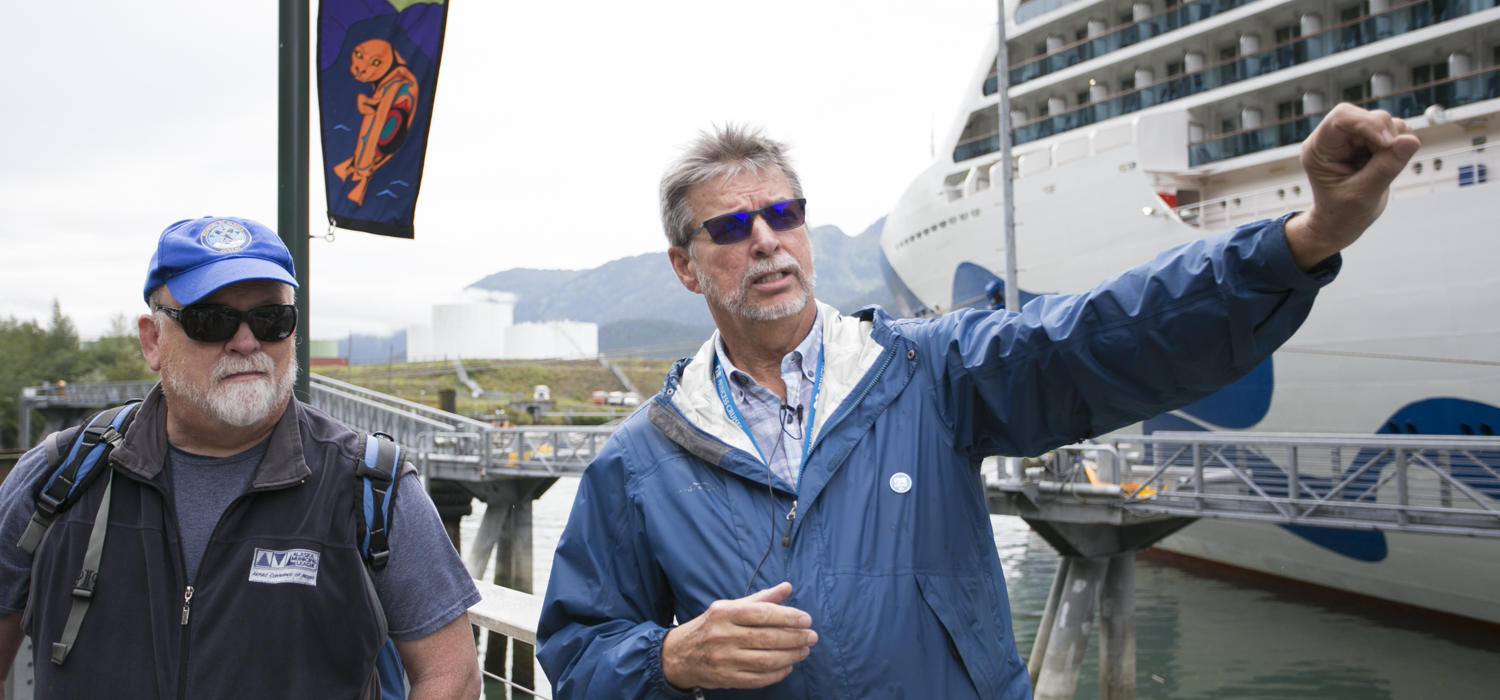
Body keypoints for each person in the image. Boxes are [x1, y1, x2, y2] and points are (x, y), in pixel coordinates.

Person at [535, 102, 1419, 699]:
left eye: (784, 214)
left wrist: (1301, 241)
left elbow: (1106, 334)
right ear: (686, 267)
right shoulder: (638, 462)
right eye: (729, 228)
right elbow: (574, 651)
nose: (766, 242)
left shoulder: (929, 371)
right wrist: (669, 656)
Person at [0, 216, 482, 699]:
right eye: (212, 321)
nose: (247, 342)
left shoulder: (371, 485)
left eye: (272, 319)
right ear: (152, 340)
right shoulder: (59, 477)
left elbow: (452, 675)